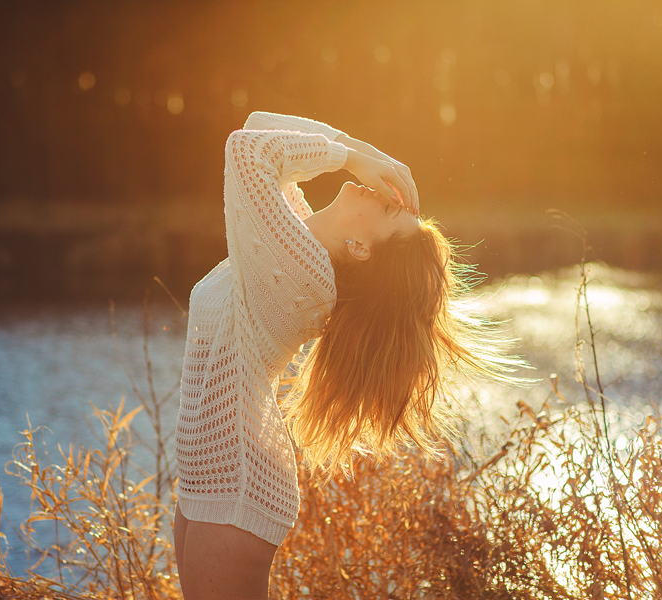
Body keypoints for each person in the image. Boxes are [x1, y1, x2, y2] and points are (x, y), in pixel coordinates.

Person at [173, 112, 518, 600]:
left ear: (358, 248)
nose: (385, 194)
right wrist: (361, 150)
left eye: (392, 211)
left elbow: (246, 151)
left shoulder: (301, 272)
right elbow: (258, 126)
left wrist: (354, 158)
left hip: (236, 480)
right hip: (211, 468)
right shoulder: (293, 238)